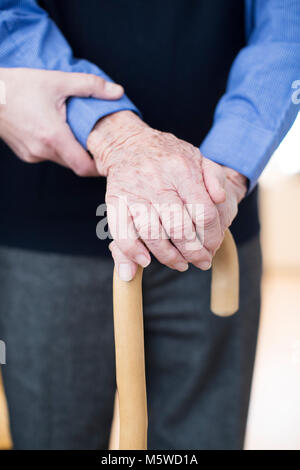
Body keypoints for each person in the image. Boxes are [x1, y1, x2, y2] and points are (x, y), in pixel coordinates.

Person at [0, 0, 299, 450]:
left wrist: (227, 170)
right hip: (45, 229)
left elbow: (287, 27)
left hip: (215, 221)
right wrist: (116, 136)